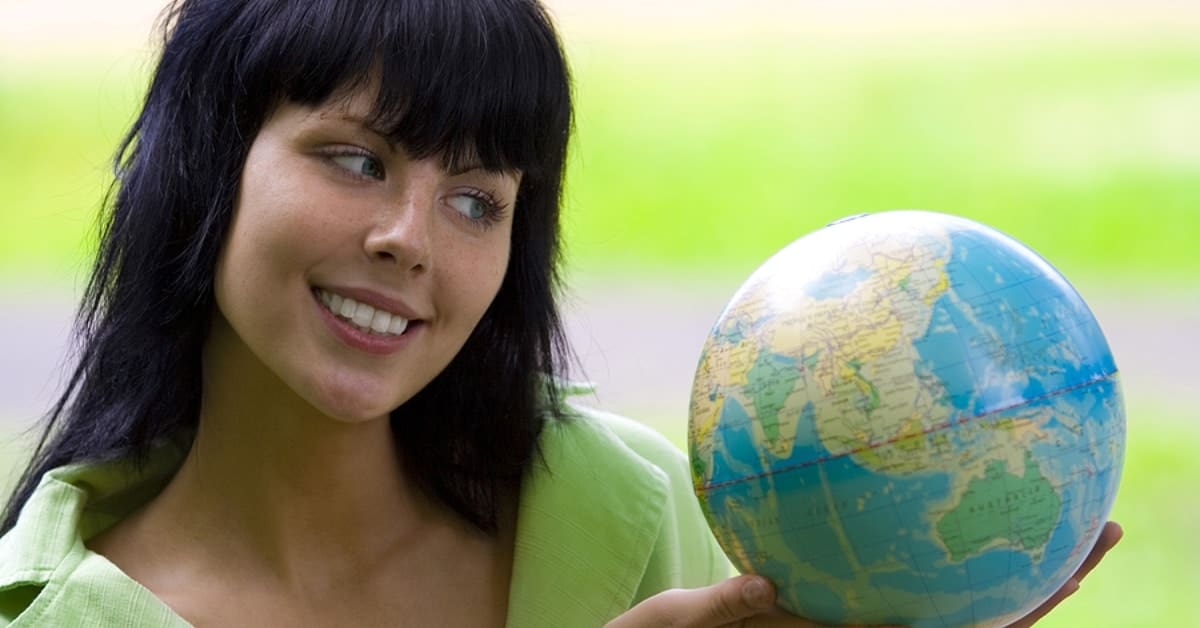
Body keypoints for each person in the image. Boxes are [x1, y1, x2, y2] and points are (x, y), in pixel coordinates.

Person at [0, 1, 1121, 626]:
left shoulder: (626, 509)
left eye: (476, 198)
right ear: (206, 164)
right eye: (354, 158)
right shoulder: (54, 616)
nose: (410, 238)